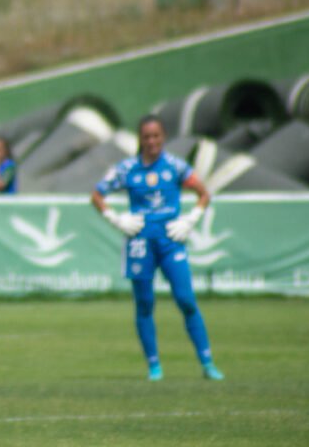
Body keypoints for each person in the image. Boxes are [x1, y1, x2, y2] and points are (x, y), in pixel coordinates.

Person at [90, 114, 224, 381]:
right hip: (140, 242)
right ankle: (154, 366)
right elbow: (97, 195)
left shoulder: (175, 166)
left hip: (171, 240)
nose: (152, 141)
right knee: (144, 303)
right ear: (140, 139)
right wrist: (116, 219)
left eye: (156, 136)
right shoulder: (127, 169)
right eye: (147, 137)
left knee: (186, 300)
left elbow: (204, 193)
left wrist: (191, 219)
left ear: (163, 137)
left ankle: (207, 363)